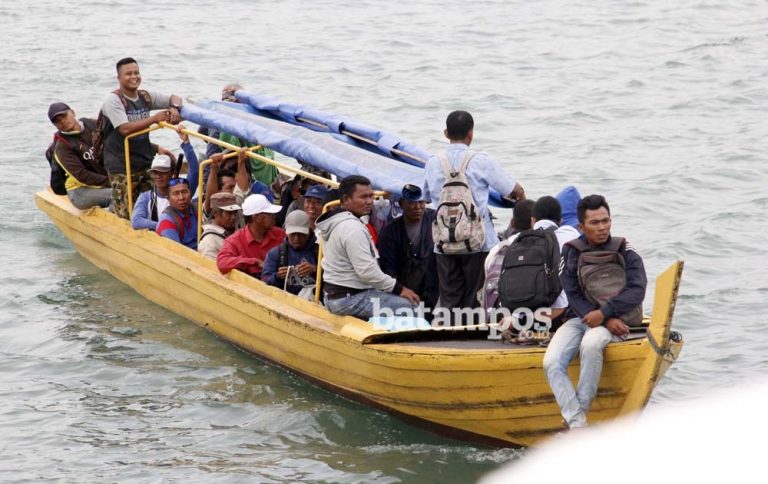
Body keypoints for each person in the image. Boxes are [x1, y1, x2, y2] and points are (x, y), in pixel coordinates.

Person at [543, 195, 647, 429]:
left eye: (605, 221)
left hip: (618, 318)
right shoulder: (570, 251)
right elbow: (571, 293)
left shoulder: (625, 248)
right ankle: (577, 421)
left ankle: (577, 419)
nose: (602, 227)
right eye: (594, 223)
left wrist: (607, 315)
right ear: (581, 226)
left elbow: (638, 289)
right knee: (551, 362)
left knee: (590, 345)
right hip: (581, 318)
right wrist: (599, 316)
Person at [422, 110, 526, 316]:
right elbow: (512, 189)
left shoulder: (433, 162)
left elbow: (425, 196)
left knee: (450, 297)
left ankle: (451, 336)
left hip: (444, 242)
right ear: (471, 134)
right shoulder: (481, 160)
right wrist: (521, 205)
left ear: (445, 133)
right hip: (478, 241)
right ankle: (473, 338)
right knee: (477, 296)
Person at [316, 175, 419, 319]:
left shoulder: (338, 220)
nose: (369, 202)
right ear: (346, 199)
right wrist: (400, 289)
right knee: (409, 306)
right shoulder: (353, 228)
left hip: (334, 295)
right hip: (348, 298)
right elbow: (367, 272)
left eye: (371, 196)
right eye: (364, 197)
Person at [100, 57, 182, 219]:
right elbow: (125, 129)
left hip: (144, 161)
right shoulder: (114, 101)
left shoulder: (145, 97)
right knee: (126, 212)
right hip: (121, 165)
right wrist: (154, 119)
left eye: (136, 72)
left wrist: (175, 108)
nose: (134, 77)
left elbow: (175, 97)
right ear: (119, 78)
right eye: (128, 74)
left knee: (152, 205)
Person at [484, 196, 580, 326]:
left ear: (533, 220)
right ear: (561, 220)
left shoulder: (511, 242)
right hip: (556, 317)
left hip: (511, 313)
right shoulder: (570, 234)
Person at [377, 185, 438, 311]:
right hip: (405, 291)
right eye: (411, 203)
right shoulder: (390, 231)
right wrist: (400, 291)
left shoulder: (436, 219)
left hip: (434, 288)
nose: (417, 207)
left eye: (421, 202)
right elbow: (388, 268)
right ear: (401, 203)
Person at [132, 125, 199, 231]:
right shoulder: (145, 198)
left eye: (162, 173)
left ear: (172, 173)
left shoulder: (182, 193)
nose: (158, 176)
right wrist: (166, 225)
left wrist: (186, 143)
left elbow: (195, 171)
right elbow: (136, 222)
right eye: (155, 173)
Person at [46, 102, 111, 209]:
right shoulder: (62, 147)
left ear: (72, 112)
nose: (62, 121)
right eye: (57, 121)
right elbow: (82, 175)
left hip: (104, 178)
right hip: (80, 190)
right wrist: (113, 182)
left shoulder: (91, 124)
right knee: (118, 196)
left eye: (64, 116)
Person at [216, 194, 285, 278]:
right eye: (269, 214)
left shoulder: (280, 234)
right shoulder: (235, 240)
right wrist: (254, 262)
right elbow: (222, 262)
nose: (274, 216)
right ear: (256, 217)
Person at [261, 210, 319, 295]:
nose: (296, 239)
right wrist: (278, 276)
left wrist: (315, 269)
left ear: (309, 232)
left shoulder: (320, 252)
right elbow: (264, 282)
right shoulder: (275, 254)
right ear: (286, 232)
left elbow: (335, 278)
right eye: (293, 234)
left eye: (301, 234)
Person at [156, 177, 199, 249]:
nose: (181, 197)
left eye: (184, 192)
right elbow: (176, 252)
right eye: (175, 194)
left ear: (190, 194)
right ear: (168, 199)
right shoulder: (166, 221)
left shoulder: (196, 208)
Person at [198, 192, 241, 259]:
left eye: (235, 213)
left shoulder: (234, 231)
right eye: (229, 213)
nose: (233, 217)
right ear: (215, 213)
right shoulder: (209, 240)